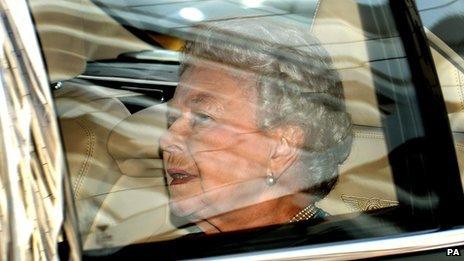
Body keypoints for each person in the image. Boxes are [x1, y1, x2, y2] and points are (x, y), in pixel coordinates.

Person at [159, 18, 352, 234]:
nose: (167, 140)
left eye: (202, 118)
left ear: (282, 148)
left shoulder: (335, 252)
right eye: (173, 119)